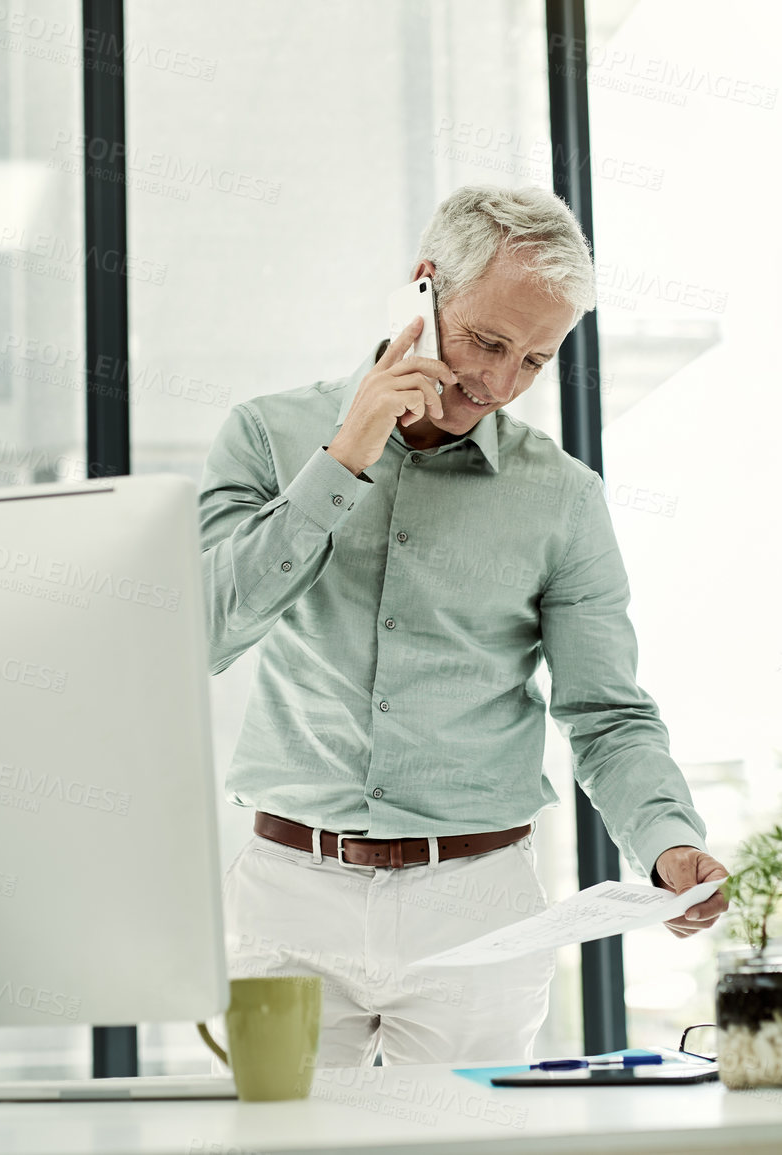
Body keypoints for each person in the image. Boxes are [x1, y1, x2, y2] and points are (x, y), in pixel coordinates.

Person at [200, 184, 727, 1066]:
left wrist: (668, 839)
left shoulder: (562, 498)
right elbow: (207, 629)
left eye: (533, 359)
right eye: (486, 340)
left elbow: (606, 714)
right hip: (286, 896)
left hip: (476, 905)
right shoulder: (265, 434)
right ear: (424, 287)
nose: (497, 382)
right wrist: (342, 460)